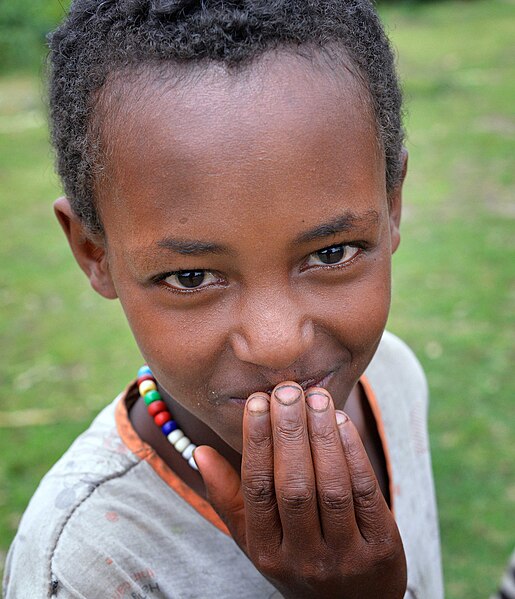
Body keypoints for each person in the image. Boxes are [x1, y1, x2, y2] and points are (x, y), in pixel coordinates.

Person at [2, 1, 444, 597]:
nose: (277, 341)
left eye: (333, 253)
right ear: (94, 251)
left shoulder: (393, 376)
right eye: (190, 277)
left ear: (392, 208)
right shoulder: (87, 566)